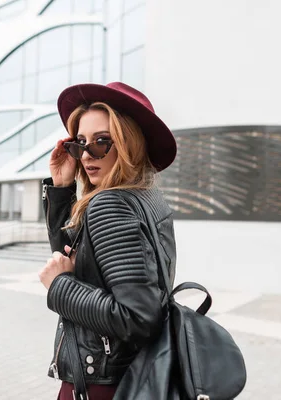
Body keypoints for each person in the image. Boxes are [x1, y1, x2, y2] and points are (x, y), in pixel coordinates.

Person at [38, 82, 178, 400]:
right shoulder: (148, 198)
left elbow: (138, 318)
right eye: (79, 143)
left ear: (129, 144)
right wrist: (61, 188)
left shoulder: (110, 204)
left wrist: (59, 286)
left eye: (102, 142)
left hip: (101, 385)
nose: (86, 155)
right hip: (134, 376)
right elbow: (77, 262)